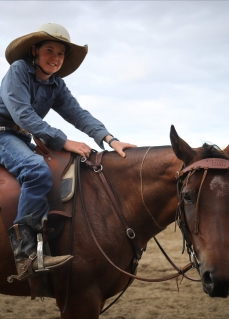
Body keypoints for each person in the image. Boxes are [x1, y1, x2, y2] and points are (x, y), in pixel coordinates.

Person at [0, 23, 136, 282]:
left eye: (60, 54)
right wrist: (64, 141)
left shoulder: (56, 85)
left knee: (60, 169)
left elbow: (77, 113)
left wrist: (110, 139)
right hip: (2, 134)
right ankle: (25, 252)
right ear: (34, 51)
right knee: (35, 170)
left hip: (19, 136)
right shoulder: (18, 71)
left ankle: (47, 242)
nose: (55, 58)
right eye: (49, 50)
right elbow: (23, 115)